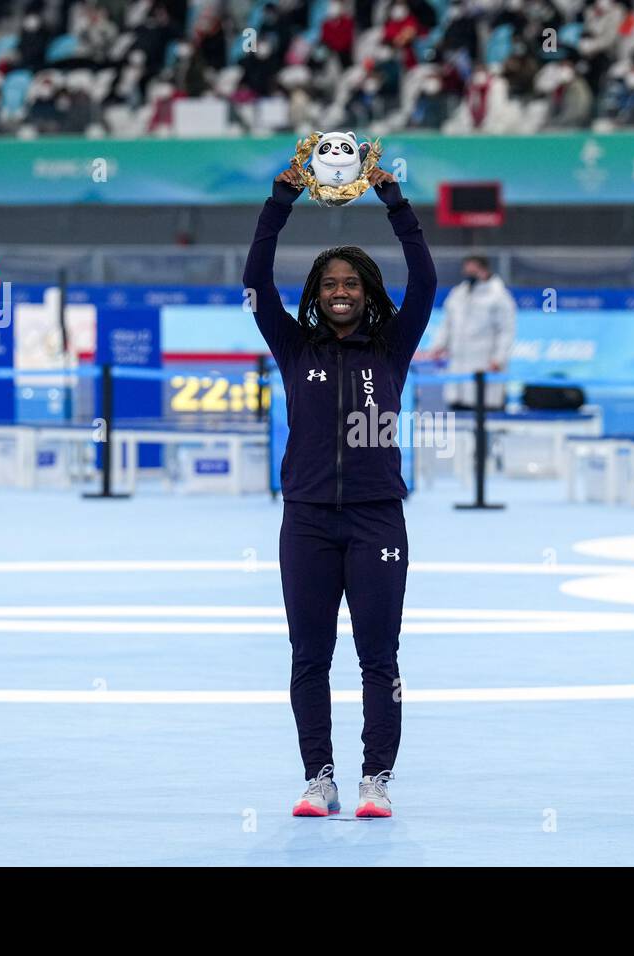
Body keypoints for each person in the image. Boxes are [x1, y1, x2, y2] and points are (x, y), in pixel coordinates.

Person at [242, 160, 436, 818]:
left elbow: (428, 278)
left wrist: (392, 195)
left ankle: (375, 779)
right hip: (307, 522)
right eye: (330, 284)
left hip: (379, 520)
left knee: (379, 656)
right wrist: (282, 198)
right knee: (309, 655)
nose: (341, 292)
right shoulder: (295, 349)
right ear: (317, 295)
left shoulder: (393, 347)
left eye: (352, 282)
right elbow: (256, 280)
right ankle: (318, 777)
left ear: (367, 290)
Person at [431, 254, 516, 410]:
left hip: (484, 362)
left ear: (484, 270)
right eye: (467, 270)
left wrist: (499, 358)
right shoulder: (458, 293)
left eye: (473, 270)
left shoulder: (499, 296)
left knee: (484, 407)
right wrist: (439, 345)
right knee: (458, 407)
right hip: (458, 364)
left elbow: (506, 330)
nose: (469, 274)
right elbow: (447, 323)